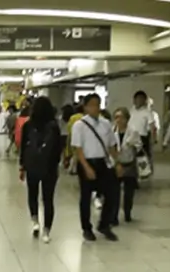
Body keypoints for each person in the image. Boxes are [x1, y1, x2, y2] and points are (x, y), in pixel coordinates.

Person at [71, 93, 122, 242]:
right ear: (85, 107)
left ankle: (104, 224)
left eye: (97, 105)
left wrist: (117, 162)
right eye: (92, 105)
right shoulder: (79, 125)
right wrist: (86, 167)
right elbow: (78, 149)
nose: (95, 108)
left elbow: (111, 146)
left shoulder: (105, 123)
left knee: (112, 193)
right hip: (86, 162)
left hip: (103, 162)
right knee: (86, 197)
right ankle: (86, 228)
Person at [19, 97, 62, 243]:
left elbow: (23, 147)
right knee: (48, 199)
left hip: (32, 166)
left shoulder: (28, 125)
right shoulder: (54, 127)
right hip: (49, 167)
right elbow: (57, 149)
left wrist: (22, 166)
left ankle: (35, 221)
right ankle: (47, 231)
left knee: (33, 194)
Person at [111, 107, 142, 225]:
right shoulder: (112, 130)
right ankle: (113, 216)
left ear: (127, 119)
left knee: (129, 192)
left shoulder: (133, 131)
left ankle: (127, 212)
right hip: (116, 164)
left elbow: (139, 146)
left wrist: (133, 145)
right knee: (114, 192)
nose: (119, 120)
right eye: (116, 117)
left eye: (121, 117)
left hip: (129, 164)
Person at [129, 91, 157, 162]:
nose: (139, 101)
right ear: (134, 100)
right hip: (131, 137)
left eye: (141, 99)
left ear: (144, 101)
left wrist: (153, 138)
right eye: (137, 99)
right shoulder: (131, 111)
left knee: (142, 159)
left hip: (142, 138)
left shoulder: (147, 112)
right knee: (131, 157)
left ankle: (143, 172)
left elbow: (152, 126)